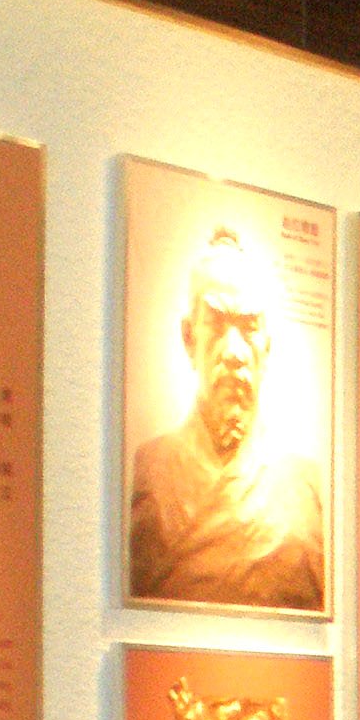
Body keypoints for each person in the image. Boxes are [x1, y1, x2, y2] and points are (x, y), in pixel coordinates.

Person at [129, 225, 326, 612]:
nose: (234, 352)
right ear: (189, 338)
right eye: (217, 325)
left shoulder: (306, 489)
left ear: (267, 347)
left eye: (248, 328)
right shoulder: (146, 474)